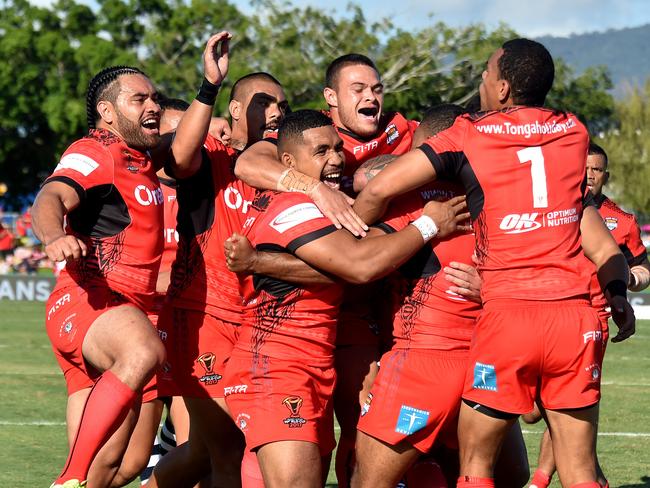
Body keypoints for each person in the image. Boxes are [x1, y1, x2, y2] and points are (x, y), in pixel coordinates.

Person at [353, 38, 635, 488]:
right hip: (574, 317)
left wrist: (355, 228)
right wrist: (617, 297)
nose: (481, 82)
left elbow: (378, 188)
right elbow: (603, 248)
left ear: (502, 88)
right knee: (580, 470)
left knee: (476, 470)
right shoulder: (576, 131)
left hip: (506, 319)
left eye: (486, 74)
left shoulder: (469, 135)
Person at [222, 108, 467, 488]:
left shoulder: (322, 209)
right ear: (289, 164)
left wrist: (260, 261)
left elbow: (346, 262)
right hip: (276, 367)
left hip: (310, 366)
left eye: (338, 149)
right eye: (321, 151)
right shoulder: (292, 205)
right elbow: (359, 266)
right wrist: (429, 224)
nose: (336, 159)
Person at [34, 31, 231, 488]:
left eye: (155, 98)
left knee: (116, 465)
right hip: (91, 302)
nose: (153, 106)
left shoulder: (140, 157)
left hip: (121, 315)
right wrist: (52, 237)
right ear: (106, 112)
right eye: (138, 98)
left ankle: (78, 479)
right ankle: (67, 479)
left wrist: (210, 86)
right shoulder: (94, 151)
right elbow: (52, 194)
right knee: (144, 351)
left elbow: (183, 149)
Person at [234, 53, 419, 486]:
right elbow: (248, 163)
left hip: (352, 316)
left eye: (376, 88)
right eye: (359, 89)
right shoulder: (304, 140)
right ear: (330, 99)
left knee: (361, 437)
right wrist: (315, 187)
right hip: (287, 337)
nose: (371, 97)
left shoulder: (400, 130)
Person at [524, 141, 650, 488]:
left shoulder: (621, 221)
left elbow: (641, 265)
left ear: (605, 176)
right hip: (543, 315)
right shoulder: (551, 207)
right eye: (585, 168)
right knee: (533, 411)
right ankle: (585, 476)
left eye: (596, 170)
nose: (590, 175)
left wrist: (635, 279)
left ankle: (543, 478)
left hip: (590, 321)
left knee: (562, 406)